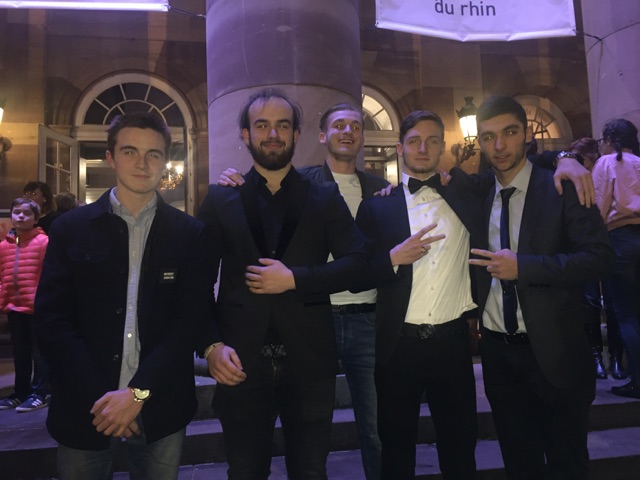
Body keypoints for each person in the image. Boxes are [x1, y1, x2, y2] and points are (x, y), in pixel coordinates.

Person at [198, 88, 369, 480]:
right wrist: (210, 346)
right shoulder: (221, 199)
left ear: (296, 134)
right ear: (245, 135)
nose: (272, 134)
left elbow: (360, 264)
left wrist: (295, 279)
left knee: (310, 471)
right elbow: (196, 284)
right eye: (262, 126)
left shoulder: (323, 196)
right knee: (244, 472)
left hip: (309, 364)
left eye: (282, 125)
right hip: (239, 363)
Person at [34, 113, 215, 480]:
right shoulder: (69, 228)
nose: (142, 163)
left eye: (153, 154)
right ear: (110, 157)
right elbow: (53, 320)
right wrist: (106, 401)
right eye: (130, 151)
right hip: (87, 405)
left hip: (161, 404)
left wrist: (136, 394)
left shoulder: (190, 233)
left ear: (165, 162)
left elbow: (189, 322)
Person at [468, 95, 615, 479]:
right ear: (480, 142)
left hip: (556, 352)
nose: (500, 145)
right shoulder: (480, 192)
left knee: (568, 465)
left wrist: (525, 267)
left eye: (509, 132)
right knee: (519, 466)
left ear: (527, 135)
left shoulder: (563, 186)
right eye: (489, 137)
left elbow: (600, 258)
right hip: (499, 357)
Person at [355, 110, 480, 479]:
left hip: (453, 343)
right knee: (395, 451)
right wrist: (393, 258)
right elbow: (358, 274)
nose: (423, 148)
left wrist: (568, 160)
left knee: (460, 450)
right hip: (398, 346)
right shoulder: (377, 205)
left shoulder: (468, 195)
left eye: (432, 141)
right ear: (400, 148)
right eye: (414, 141)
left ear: (442, 147)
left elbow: (520, 169)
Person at [570, 137, 626, 380]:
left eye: (580, 158)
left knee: (612, 304)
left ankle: (616, 358)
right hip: (586, 246)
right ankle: (596, 357)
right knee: (591, 302)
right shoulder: (574, 180)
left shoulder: (605, 169)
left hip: (610, 241)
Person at [591, 118, 640, 399]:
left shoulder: (607, 163)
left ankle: (638, 380)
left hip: (620, 239)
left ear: (609, 139)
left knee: (626, 313)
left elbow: (599, 206)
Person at [0, 198, 50, 412]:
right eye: (17, 212)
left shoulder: (43, 242)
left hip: (37, 308)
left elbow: (51, 275)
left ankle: (39, 393)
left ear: (36, 219)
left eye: (27, 213)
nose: (21, 216)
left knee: (39, 353)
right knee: (20, 353)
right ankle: (21, 392)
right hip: (14, 306)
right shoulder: (4, 245)